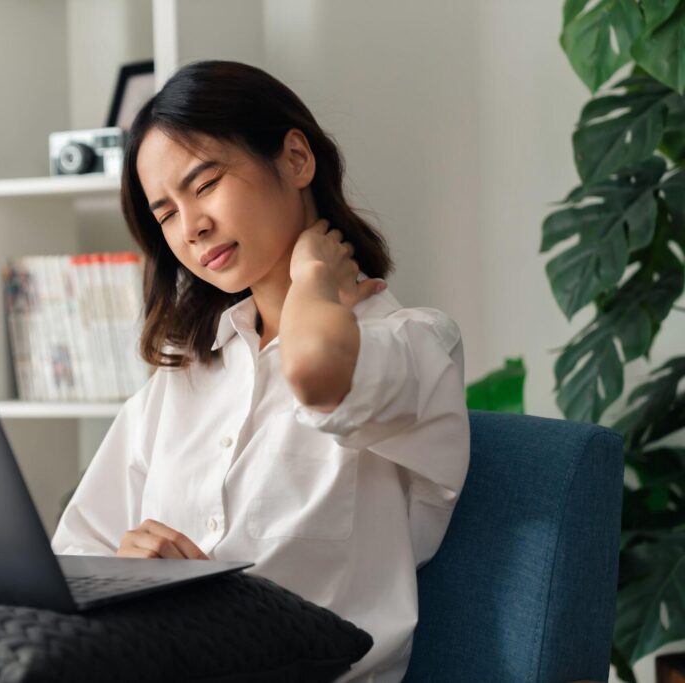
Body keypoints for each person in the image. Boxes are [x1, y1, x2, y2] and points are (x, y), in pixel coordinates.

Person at [50, 59, 470, 683]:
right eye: (165, 213)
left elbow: (316, 373)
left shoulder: (411, 347)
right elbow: (73, 554)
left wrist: (314, 277)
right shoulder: (186, 375)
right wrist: (128, 566)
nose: (191, 228)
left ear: (297, 158)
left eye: (206, 183)